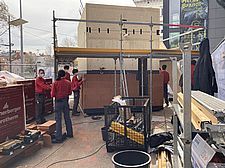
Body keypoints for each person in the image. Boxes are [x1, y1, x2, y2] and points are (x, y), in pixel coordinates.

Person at [51, 70, 73, 143]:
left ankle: (58, 137)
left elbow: (53, 94)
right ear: (65, 75)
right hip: (65, 101)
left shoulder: (55, 83)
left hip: (58, 102)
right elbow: (70, 92)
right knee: (67, 117)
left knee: (58, 120)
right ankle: (70, 133)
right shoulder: (68, 83)